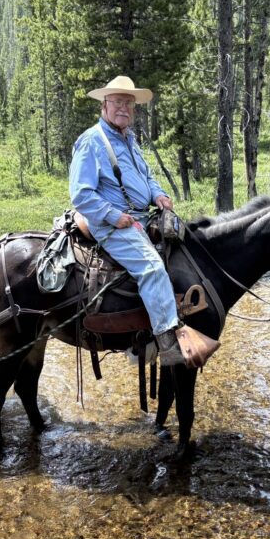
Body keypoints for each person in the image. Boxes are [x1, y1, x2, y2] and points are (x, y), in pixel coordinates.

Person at [69, 75, 188, 366]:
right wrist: (114, 217)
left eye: (129, 103)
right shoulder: (92, 141)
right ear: (105, 105)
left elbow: (146, 177)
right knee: (151, 267)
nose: (124, 108)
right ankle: (168, 343)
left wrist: (158, 196)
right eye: (118, 102)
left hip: (138, 217)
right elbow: (81, 195)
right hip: (111, 223)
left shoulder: (130, 140)